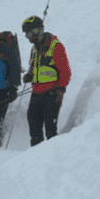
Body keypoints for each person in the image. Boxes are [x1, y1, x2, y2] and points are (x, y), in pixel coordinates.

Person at [21, 15, 71, 147]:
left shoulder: (55, 46)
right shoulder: (35, 49)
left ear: (38, 30)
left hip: (52, 94)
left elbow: (65, 71)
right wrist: (29, 75)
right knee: (34, 124)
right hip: (36, 93)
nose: (27, 36)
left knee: (50, 127)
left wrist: (61, 90)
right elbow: (33, 66)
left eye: (29, 33)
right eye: (26, 34)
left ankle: (52, 156)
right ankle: (35, 154)